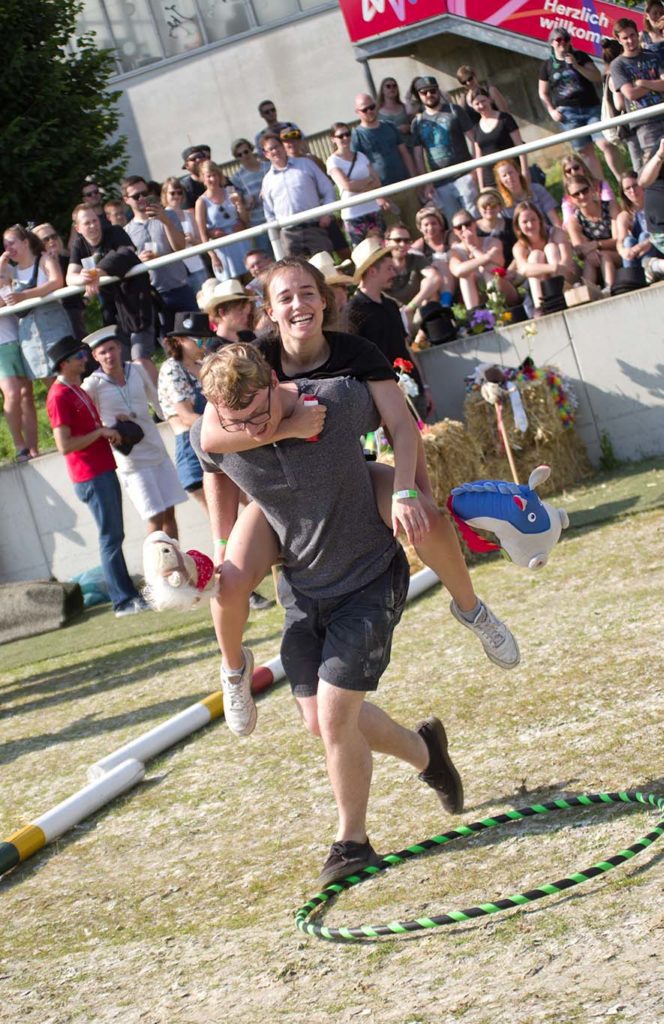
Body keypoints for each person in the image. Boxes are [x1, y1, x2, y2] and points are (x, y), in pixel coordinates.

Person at [197, 259, 519, 738]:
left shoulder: (357, 352)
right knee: (227, 583)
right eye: (285, 297)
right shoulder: (254, 360)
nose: (298, 304)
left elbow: (402, 426)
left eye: (308, 292)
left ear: (324, 299)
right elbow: (211, 440)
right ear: (268, 310)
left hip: (350, 478)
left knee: (425, 519)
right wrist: (289, 426)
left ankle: (471, 608)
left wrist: (412, 492)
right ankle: (233, 670)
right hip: (277, 505)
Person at [193, 341, 464, 887]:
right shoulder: (225, 429)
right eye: (235, 422)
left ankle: (351, 842)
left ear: (274, 383)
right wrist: (221, 540)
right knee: (321, 721)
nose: (249, 430)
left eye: (258, 416)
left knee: (337, 712)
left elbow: (402, 425)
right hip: (302, 589)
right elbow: (214, 466)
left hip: (367, 575)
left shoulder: (333, 401)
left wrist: (414, 492)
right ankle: (425, 752)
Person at [45, 334, 145, 617]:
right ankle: (123, 601)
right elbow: (64, 445)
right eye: (79, 356)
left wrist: (110, 428)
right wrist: (101, 432)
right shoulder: (59, 395)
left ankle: (128, 595)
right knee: (110, 537)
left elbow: (83, 431)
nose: (85, 359)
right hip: (90, 474)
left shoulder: (73, 388)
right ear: (64, 363)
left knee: (115, 534)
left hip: (100, 468)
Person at [82, 325, 187, 537]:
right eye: (102, 352)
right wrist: (106, 429)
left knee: (169, 512)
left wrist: (177, 423)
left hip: (155, 448)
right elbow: (82, 418)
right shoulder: (92, 384)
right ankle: (156, 566)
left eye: (111, 349)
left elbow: (158, 402)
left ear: (119, 348)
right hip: (131, 459)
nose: (108, 355)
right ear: (95, 356)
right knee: (154, 516)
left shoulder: (136, 370)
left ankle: (176, 563)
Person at [67, 204, 158, 385]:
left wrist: (97, 273)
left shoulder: (115, 232)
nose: (93, 226)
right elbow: (70, 277)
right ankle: (148, 406)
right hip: (112, 312)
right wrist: (84, 277)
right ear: (78, 228)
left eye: (95, 221)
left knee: (139, 356)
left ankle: (165, 406)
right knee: (123, 364)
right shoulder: (79, 245)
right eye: (87, 223)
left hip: (137, 305)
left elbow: (126, 253)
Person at [346, 237, 429, 417]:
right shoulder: (352, 311)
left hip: (412, 390)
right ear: (373, 271)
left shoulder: (391, 305)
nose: (395, 273)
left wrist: (425, 387)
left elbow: (406, 347)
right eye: (389, 268)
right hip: (383, 398)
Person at [538, 27, 623, 182]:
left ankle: (622, 180)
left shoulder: (580, 57)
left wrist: (577, 66)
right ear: (552, 43)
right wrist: (551, 110)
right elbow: (542, 92)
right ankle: (602, 188)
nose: (563, 43)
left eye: (566, 39)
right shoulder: (547, 66)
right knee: (584, 151)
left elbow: (597, 77)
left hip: (590, 107)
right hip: (567, 113)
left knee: (605, 143)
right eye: (558, 40)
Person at [123, 175, 196, 337]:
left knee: (198, 336)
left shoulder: (167, 215)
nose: (142, 198)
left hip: (180, 287)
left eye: (145, 193)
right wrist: (138, 261)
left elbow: (180, 247)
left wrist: (165, 221)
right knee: (170, 344)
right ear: (126, 200)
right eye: (136, 196)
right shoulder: (126, 231)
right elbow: (128, 265)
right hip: (154, 294)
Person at [158, 311, 215, 511]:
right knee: (221, 517)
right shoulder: (172, 368)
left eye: (207, 340)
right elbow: (186, 416)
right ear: (180, 340)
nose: (205, 346)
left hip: (214, 438)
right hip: (192, 446)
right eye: (199, 341)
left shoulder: (204, 364)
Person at [1, 223, 71, 387]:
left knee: (68, 379)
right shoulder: (12, 271)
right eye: (5, 246)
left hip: (54, 327)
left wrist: (24, 295)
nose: (8, 248)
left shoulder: (43, 259)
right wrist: (1, 266)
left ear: (25, 242)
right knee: (53, 388)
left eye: (12, 243)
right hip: (30, 334)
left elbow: (57, 281)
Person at [411, 76, 478, 220]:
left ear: (438, 91)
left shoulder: (455, 111)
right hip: (439, 182)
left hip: (464, 175)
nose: (429, 95)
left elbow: (474, 140)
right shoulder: (417, 122)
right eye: (424, 92)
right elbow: (418, 156)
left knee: (474, 218)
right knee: (454, 222)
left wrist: (475, 168)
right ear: (419, 95)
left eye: (432, 90)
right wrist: (427, 182)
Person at [260, 134, 336, 257]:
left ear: (283, 146)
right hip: (289, 236)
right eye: (270, 149)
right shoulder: (267, 181)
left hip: (314, 228)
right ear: (266, 154)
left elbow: (327, 189)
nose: (275, 151)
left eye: (277, 146)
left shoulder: (306, 164)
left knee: (326, 269)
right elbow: (269, 213)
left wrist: (327, 213)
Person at [326, 121, 387, 246]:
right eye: (341, 136)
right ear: (333, 139)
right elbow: (347, 186)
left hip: (373, 209)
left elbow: (377, 181)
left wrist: (359, 186)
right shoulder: (332, 161)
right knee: (362, 253)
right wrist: (367, 181)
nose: (345, 138)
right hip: (353, 214)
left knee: (383, 247)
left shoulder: (360, 156)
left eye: (348, 134)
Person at [611, 17, 664, 162]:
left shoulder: (652, 56)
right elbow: (630, 94)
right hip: (644, 123)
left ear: (637, 33)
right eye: (625, 38)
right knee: (656, 163)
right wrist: (655, 85)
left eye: (632, 35)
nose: (630, 40)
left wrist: (643, 83)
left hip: (662, 110)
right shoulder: (617, 65)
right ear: (618, 39)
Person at [512, 201, 576, 315]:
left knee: (550, 248)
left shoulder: (556, 233)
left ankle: (558, 298)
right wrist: (553, 267)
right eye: (525, 222)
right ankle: (540, 307)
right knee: (535, 256)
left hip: (565, 280)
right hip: (542, 285)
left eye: (533, 220)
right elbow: (524, 269)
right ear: (518, 226)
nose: (530, 225)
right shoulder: (519, 246)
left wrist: (557, 268)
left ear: (540, 220)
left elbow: (567, 261)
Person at [448, 209, 519, 311]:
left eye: (467, 224)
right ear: (455, 231)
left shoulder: (492, 242)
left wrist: (473, 247)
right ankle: (474, 316)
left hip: (504, 291)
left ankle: (497, 311)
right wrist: (487, 257)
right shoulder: (454, 252)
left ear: (474, 224)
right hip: (479, 297)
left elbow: (498, 265)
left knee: (488, 272)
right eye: (459, 227)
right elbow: (458, 271)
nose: (464, 229)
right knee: (465, 276)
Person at [194, 159, 250, 283]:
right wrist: (213, 256)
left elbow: (245, 220)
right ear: (203, 178)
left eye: (215, 175)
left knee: (251, 280)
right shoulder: (201, 202)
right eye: (209, 176)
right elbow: (203, 233)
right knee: (233, 286)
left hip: (240, 242)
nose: (213, 179)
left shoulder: (230, 191)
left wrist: (239, 204)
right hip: (222, 250)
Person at [0, 278, 36, 461]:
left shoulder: (8, 272)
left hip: (21, 338)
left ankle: (33, 447)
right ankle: (19, 446)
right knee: (12, 393)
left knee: (26, 394)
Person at [565, 175, 621, 291]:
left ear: (591, 189)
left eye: (584, 190)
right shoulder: (574, 220)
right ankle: (586, 293)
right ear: (571, 199)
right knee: (591, 259)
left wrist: (596, 245)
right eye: (576, 194)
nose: (582, 196)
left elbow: (619, 240)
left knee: (604, 255)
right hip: (594, 262)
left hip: (619, 255)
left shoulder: (610, 207)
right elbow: (580, 249)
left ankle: (609, 289)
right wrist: (590, 252)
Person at [34, 222, 86, 342]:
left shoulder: (69, 261)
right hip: (50, 319)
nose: (51, 240)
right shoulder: (36, 268)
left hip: (75, 314)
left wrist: (86, 298)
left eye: (54, 236)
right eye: (46, 239)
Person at [351, 93, 416, 188]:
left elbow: (405, 154)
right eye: (365, 109)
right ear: (357, 111)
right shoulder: (357, 135)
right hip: (382, 190)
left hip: (405, 184)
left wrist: (415, 180)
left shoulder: (390, 126)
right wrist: (376, 194)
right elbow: (359, 168)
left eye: (372, 107)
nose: (369, 111)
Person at [469, 89, 527, 189]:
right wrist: (482, 186)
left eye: (483, 101)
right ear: (473, 107)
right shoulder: (476, 129)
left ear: (490, 100)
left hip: (511, 174)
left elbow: (519, 146)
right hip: (491, 180)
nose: (481, 106)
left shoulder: (505, 119)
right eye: (477, 103)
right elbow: (478, 160)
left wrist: (524, 171)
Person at [161, 176, 208, 295]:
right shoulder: (161, 217)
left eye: (179, 193)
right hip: (177, 273)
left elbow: (202, 242)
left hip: (197, 267)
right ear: (165, 195)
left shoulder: (189, 214)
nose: (176, 196)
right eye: (172, 193)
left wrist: (192, 240)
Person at [383, 222, 443, 311]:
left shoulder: (416, 259)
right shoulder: (379, 265)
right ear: (386, 243)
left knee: (427, 282)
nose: (403, 244)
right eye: (397, 240)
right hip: (392, 315)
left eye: (406, 241)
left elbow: (435, 278)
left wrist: (410, 307)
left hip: (417, 309)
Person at [230, 138, 270, 254]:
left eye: (246, 152)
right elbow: (238, 206)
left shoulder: (268, 166)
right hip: (258, 225)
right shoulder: (237, 178)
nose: (244, 156)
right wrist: (245, 204)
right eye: (239, 155)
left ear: (251, 150)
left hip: (277, 218)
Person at [494, 159, 561, 227]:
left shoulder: (537, 189)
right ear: (500, 180)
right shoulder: (501, 203)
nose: (509, 177)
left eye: (511, 172)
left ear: (518, 172)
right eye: (504, 175)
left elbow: (555, 220)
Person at [198, 278, 255, 349]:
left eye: (246, 311)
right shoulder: (215, 350)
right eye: (240, 310)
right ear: (222, 312)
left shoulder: (248, 336)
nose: (245, 316)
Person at [559, 154, 616, 225]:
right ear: (565, 175)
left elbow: (611, 205)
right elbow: (567, 223)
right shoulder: (567, 199)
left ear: (583, 167)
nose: (573, 172)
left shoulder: (601, 186)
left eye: (576, 168)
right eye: (568, 171)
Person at [615, 172, 655, 267]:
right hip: (637, 253)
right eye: (628, 188)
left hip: (657, 246)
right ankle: (632, 275)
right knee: (628, 241)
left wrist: (639, 247)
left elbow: (658, 235)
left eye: (635, 185)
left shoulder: (655, 205)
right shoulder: (625, 216)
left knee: (644, 236)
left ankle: (648, 271)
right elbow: (620, 240)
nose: (632, 190)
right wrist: (623, 251)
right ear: (624, 193)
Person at [475, 188, 516, 261]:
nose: (489, 208)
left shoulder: (511, 225)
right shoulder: (472, 228)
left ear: (500, 206)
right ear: (478, 208)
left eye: (493, 205)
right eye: (484, 206)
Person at [377, 77, 414, 149]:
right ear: (382, 90)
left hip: (409, 146)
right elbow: (376, 133)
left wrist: (409, 127)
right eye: (388, 86)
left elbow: (414, 124)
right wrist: (397, 130)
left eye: (394, 86)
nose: (392, 88)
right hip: (391, 150)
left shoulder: (404, 107)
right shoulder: (376, 111)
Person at [179, 144, 211, 209]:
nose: (198, 160)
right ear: (187, 166)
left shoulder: (218, 177)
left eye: (200, 156)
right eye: (193, 159)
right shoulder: (185, 187)